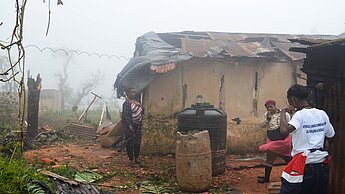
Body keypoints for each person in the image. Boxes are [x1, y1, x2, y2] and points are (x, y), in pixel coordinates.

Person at [279, 84, 335, 194]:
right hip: (322, 165)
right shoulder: (322, 113)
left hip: (304, 166)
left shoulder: (299, 115)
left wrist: (282, 112)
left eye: (289, 101)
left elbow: (284, 131)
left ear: (293, 99)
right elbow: (331, 136)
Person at [257, 99, 292, 183]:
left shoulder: (284, 114)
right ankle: (266, 178)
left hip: (283, 141)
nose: (269, 109)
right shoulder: (266, 115)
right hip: (271, 142)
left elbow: (289, 125)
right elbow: (261, 125)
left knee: (288, 159)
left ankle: (292, 176)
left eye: (270, 107)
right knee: (270, 159)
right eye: (267, 107)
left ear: (274, 106)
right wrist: (267, 120)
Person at [122, 87, 143, 166]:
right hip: (130, 125)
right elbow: (125, 115)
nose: (133, 93)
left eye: (134, 92)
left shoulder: (136, 102)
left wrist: (139, 105)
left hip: (138, 125)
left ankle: (137, 157)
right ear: (127, 93)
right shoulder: (126, 103)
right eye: (131, 92)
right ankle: (131, 159)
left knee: (137, 141)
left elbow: (142, 111)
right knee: (130, 142)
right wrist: (129, 125)